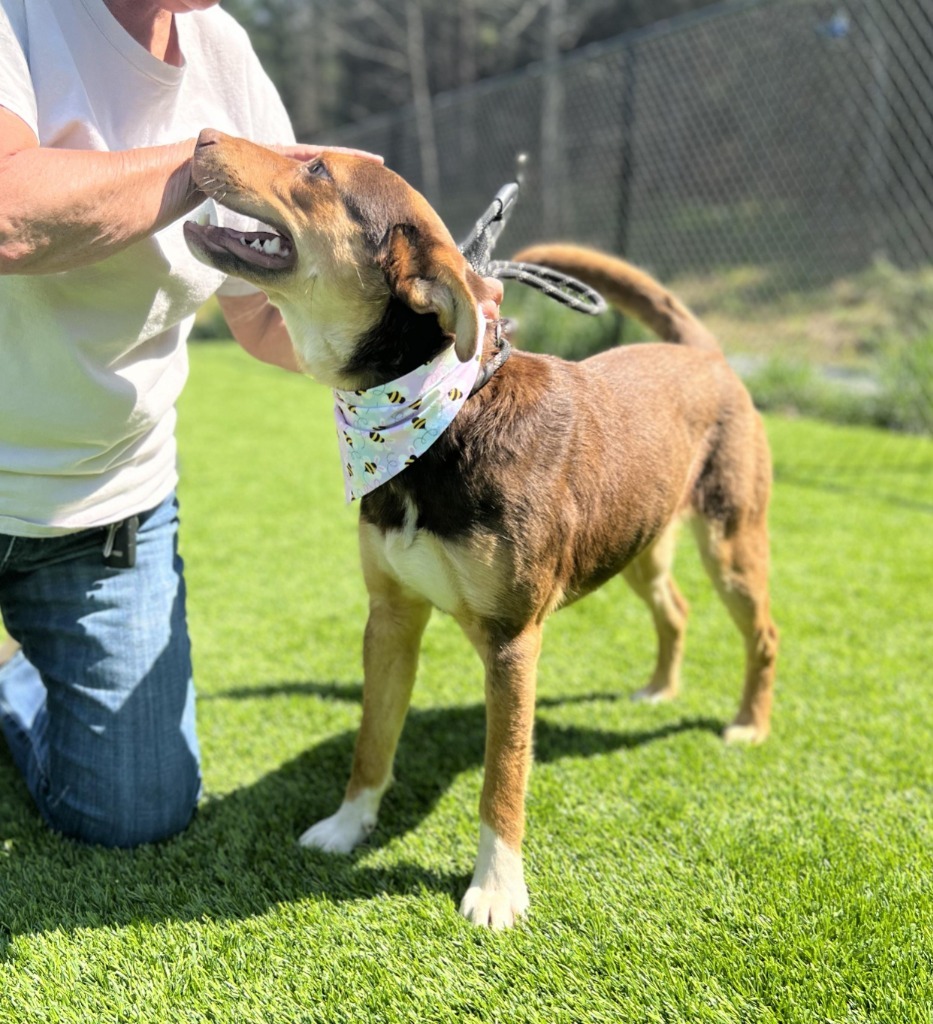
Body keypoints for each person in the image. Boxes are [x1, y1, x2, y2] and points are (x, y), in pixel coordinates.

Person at [0, 0, 501, 849]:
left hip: (103, 513)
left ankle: (15, 683)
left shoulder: (224, 53)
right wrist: (210, 166)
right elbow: (9, 213)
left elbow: (270, 316)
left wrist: (425, 332)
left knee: (135, 812)